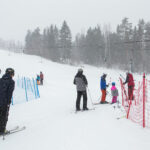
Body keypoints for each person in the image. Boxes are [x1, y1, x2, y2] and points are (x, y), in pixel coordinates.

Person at [0, 68, 15, 135]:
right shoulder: (11, 82)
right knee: (4, 115)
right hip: (4, 102)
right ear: (11, 74)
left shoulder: (1, 80)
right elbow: (9, 93)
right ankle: (2, 130)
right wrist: (8, 102)